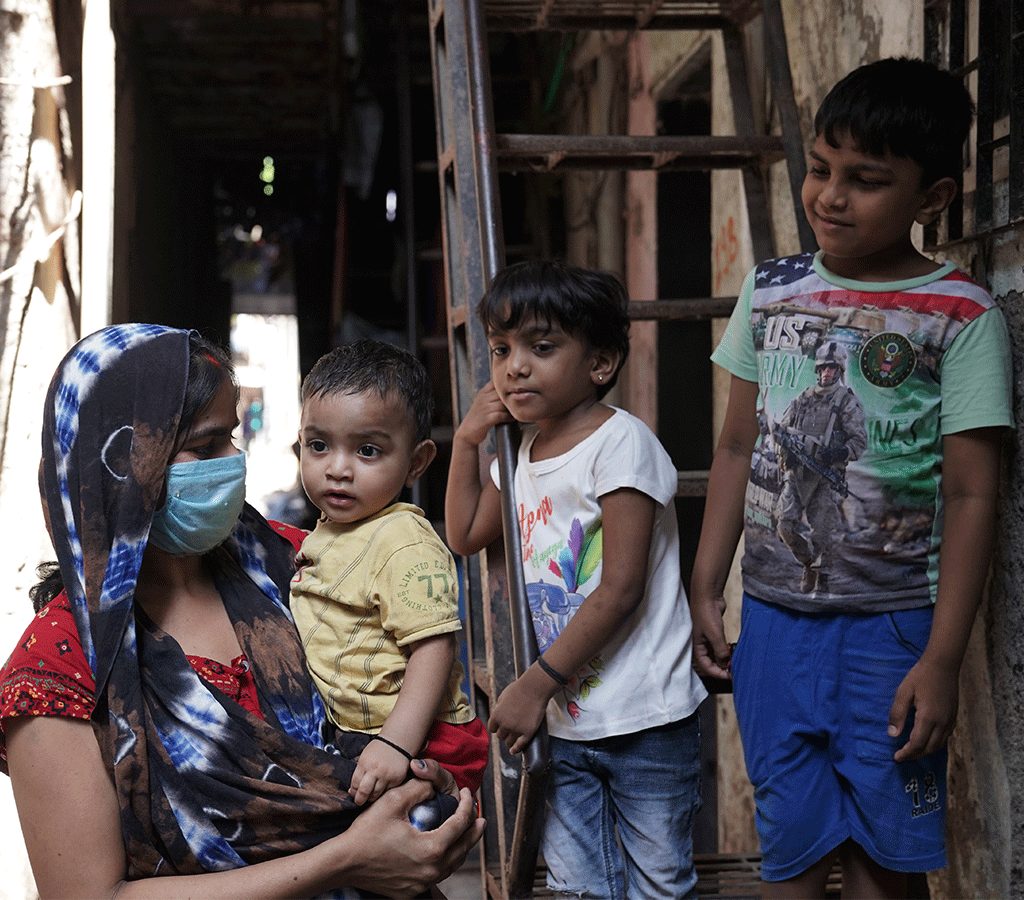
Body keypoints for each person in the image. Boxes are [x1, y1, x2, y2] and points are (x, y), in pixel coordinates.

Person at [0, 323, 484, 898]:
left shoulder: (296, 564)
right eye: (205, 448)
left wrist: (426, 807)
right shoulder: (59, 669)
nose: (233, 461)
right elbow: (88, 895)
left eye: (231, 437)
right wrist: (346, 860)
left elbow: (411, 694)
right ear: (123, 462)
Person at [691, 57, 1014, 898]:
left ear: (933, 198)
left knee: (886, 866)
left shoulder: (964, 315)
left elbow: (976, 492)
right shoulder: (770, 293)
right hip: (771, 625)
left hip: (894, 635)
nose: (830, 196)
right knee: (789, 859)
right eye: (821, 170)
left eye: (866, 181)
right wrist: (705, 586)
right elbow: (734, 449)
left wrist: (942, 658)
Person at [445, 260, 708, 898]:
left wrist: (535, 684)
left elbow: (621, 588)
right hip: (567, 718)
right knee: (579, 887)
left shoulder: (622, 444)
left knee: (659, 882)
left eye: (542, 347)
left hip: (645, 715)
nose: (514, 368)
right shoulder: (520, 455)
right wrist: (466, 440)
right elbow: (464, 535)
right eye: (502, 350)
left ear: (600, 363)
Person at [290, 340, 489, 805]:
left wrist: (396, 743)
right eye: (318, 446)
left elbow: (433, 647)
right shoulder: (338, 527)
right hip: (362, 729)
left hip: (419, 737)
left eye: (367, 451)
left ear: (416, 463)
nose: (338, 469)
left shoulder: (404, 540)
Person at [773, 339, 867, 593]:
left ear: (840, 371)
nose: (827, 373)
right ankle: (808, 561)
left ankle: (821, 577)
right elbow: (781, 432)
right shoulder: (803, 399)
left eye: (832, 369)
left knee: (824, 532)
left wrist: (838, 451)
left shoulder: (846, 401)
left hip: (827, 477)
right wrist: (786, 455)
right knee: (784, 524)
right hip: (798, 473)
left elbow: (859, 441)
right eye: (824, 368)